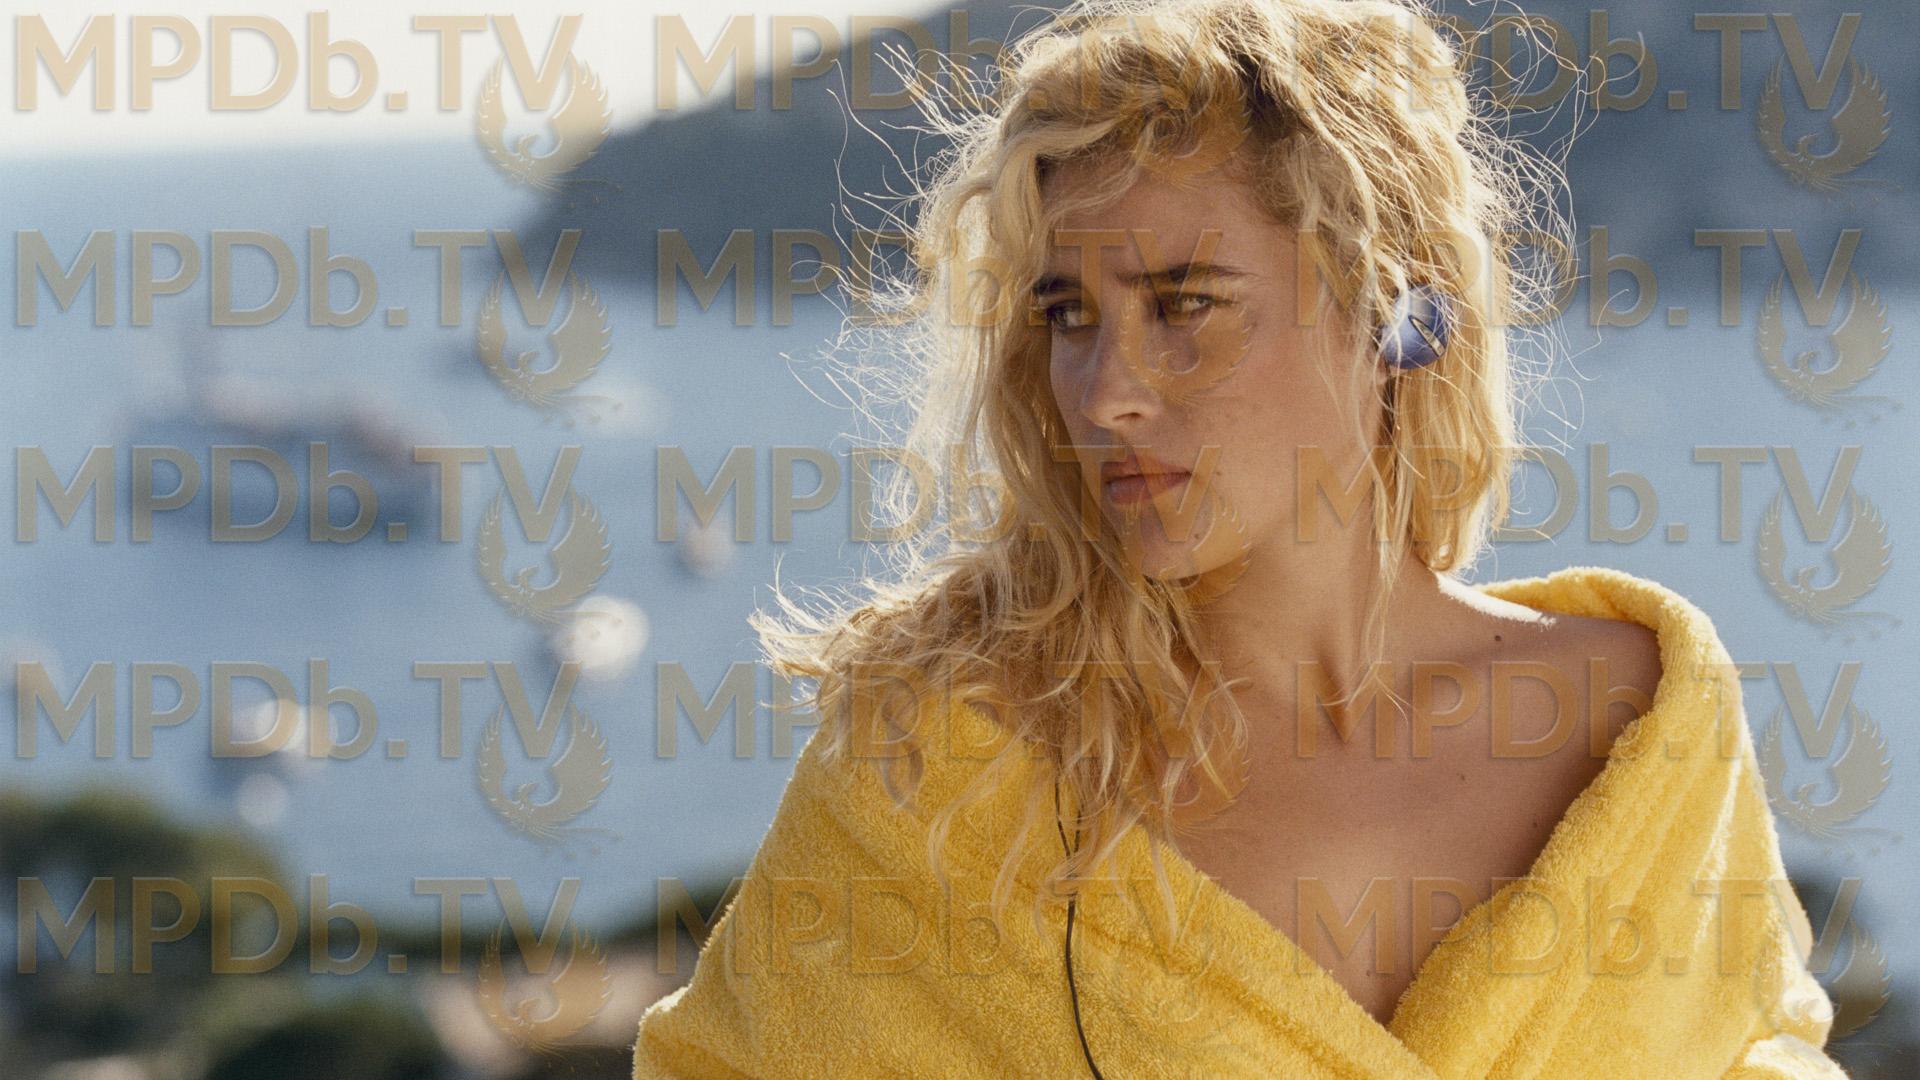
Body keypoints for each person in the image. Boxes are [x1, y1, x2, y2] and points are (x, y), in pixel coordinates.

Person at [634, 0, 1847, 1075]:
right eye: (1069, 315)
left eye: (1185, 304)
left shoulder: (1637, 726)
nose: (1107, 392)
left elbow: (1759, 1056)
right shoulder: (950, 761)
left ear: (1397, 313)